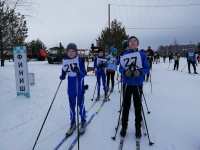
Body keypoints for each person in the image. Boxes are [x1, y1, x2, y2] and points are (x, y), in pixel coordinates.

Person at [119, 36, 149, 140]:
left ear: (137, 43)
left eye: (134, 41)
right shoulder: (124, 54)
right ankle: (124, 127)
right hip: (127, 83)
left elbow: (147, 68)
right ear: (128, 44)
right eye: (130, 41)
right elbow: (120, 68)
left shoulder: (142, 54)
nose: (132, 43)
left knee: (137, 107)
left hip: (137, 84)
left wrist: (140, 72)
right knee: (126, 107)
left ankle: (137, 128)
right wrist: (124, 72)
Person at [59, 43, 87, 136]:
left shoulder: (80, 60)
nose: (71, 53)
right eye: (69, 51)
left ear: (76, 52)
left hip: (79, 83)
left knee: (80, 104)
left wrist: (79, 72)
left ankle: (83, 121)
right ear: (67, 52)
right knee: (71, 105)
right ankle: (73, 123)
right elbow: (64, 70)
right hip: (70, 85)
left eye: (73, 51)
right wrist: (62, 75)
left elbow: (84, 73)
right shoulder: (65, 60)